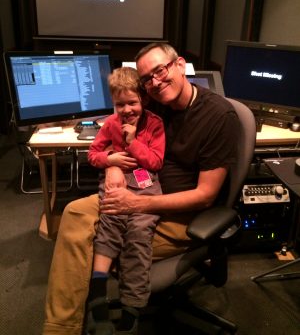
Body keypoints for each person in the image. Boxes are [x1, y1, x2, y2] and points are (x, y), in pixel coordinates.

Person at [43, 43, 240, 335]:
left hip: (179, 214)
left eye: (159, 71)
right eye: (146, 78)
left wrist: (134, 205)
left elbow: (205, 195)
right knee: (73, 213)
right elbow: (117, 135)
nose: (155, 83)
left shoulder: (218, 117)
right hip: (134, 188)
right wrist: (112, 166)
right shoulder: (153, 101)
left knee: (92, 240)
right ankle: (60, 329)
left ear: (180, 65)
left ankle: (122, 314)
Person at [87, 67, 165, 334]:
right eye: (120, 104)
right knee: (109, 223)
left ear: (143, 100)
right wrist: (110, 160)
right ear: (113, 103)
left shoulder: (154, 123)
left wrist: (131, 143)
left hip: (146, 183)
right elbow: (93, 155)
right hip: (116, 182)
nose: (127, 109)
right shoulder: (110, 124)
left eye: (132, 102)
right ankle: (97, 293)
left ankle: (132, 304)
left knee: (139, 231)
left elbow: (155, 161)